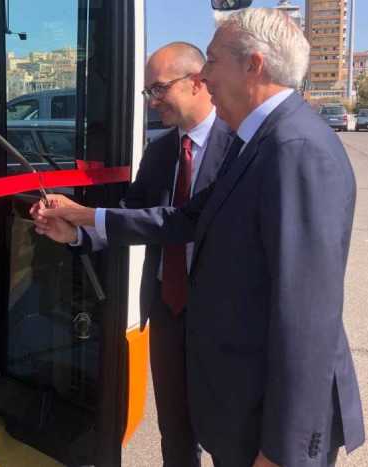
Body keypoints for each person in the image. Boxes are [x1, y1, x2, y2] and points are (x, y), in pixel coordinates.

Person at [32, 8, 365, 467]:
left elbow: (308, 315)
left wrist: (283, 449)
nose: (205, 75)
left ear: (254, 65)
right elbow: (178, 218)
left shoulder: (294, 148)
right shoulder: (255, 143)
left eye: (212, 61)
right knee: (179, 432)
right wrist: (78, 227)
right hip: (208, 348)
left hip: (264, 405)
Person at [46, 41, 233, 466]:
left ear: (196, 82)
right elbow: (132, 215)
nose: (152, 101)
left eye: (158, 89)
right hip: (167, 311)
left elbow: (180, 221)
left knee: (226, 433)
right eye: (149, 91)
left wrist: (83, 213)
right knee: (175, 432)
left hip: (221, 318)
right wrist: (74, 234)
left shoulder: (237, 146)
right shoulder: (162, 150)